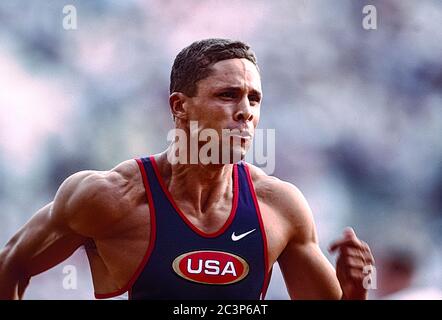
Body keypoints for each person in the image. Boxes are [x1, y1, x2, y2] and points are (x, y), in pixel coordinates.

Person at [0, 38, 374, 300]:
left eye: (254, 99)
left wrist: (355, 296)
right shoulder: (109, 198)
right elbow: (10, 266)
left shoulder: (281, 208)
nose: (246, 112)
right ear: (179, 106)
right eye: (227, 95)